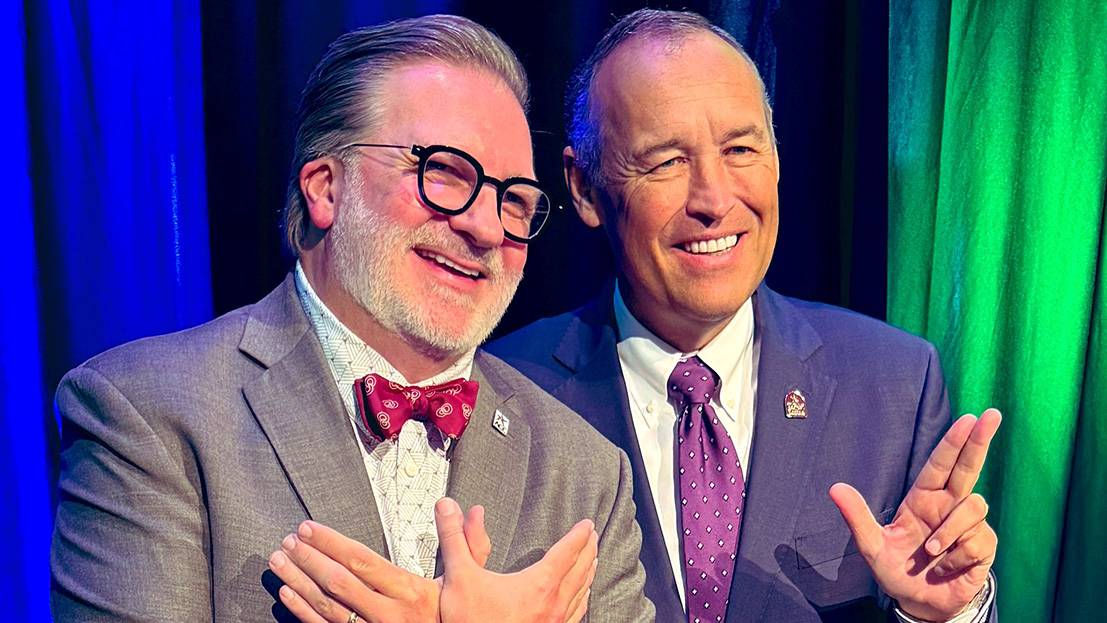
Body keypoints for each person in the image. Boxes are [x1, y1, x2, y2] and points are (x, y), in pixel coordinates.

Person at [50, 15, 653, 623]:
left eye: (514, 200)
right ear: (326, 187)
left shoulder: (587, 474)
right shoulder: (149, 413)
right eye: (443, 172)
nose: (486, 227)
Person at [488, 9, 999, 623]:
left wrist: (940, 613)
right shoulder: (504, 391)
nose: (715, 199)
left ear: (778, 158)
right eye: (666, 161)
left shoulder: (894, 383)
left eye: (740, 148)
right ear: (585, 187)